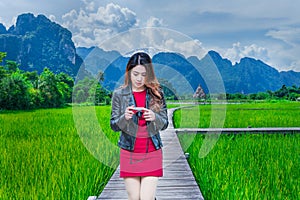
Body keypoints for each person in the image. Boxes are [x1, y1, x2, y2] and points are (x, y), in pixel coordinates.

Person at [110, 52, 168, 200]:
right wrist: (125, 117)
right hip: (129, 152)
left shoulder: (157, 93)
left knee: (146, 197)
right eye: (135, 74)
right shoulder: (119, 94)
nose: (139, 79)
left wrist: (155, 117)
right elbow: (114, 125)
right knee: (134, 197)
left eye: (143, 74)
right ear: (129, 72)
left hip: (152, 151)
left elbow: (165, 123)